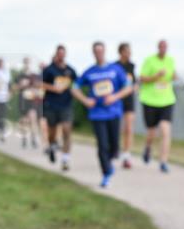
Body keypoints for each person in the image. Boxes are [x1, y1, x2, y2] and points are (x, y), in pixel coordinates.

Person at [72, 42, 132, 188]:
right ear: (93, 53)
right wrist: (85, 100)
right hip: (97, 114)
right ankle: (106, 173)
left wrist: (115, 97)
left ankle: (109, 161)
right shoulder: (90, 72)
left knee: (114, 147)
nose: (98, 53)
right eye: (96, 51)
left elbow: (128, 87)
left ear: (104, 51)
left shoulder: (115, 69)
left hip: (114, 112)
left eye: (101, 51)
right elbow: (74, 87)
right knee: (102, 145)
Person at [138, 39, 177, 173]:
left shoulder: (170, 60)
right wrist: (156, 76)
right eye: (161, 46)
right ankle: (148, 147)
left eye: (165, 47)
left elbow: (172, 76)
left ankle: (163, 161)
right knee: (152, 132)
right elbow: (142, 78)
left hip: (167, 100)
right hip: (150, 100)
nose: (163, 49)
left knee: (165, 130)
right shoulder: (149, 60)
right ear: (158, 48)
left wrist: (174, 77)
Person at [41, 45, 78, 171]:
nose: (61, 56)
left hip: (66, 105)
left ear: (65, 54)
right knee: (52, 132)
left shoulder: (70, 71)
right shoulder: (49, 70)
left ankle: (65, 160)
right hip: (51, 104)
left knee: (67, 130)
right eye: (59, 53)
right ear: (56, 54)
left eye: (63, 53)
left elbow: (76, 84)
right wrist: (53, 88)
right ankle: (52, 145)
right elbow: (41, 83)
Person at [115, 42, 138, 169]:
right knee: (117, 127)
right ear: (121, 52)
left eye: (130, 51)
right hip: (117, 100)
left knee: (129, 128)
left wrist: (135, 87)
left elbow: (134, 82)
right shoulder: (114, 66)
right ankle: (115, 149)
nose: (129, 54)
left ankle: (127, 155)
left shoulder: (131, 66)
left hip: (129, 100)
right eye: (127, 51)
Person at [15, 57, 41, 149]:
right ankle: (24, 138)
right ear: (23, 63)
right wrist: (21, 85)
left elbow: (39, 88)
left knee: (33, 118)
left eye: (28, 62)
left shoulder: (35, 76)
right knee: (24, 120)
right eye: (25, 62)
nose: (27, 64)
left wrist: (35, 90)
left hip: (32, 100)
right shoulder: (20, 76)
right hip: (22, 100)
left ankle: (34, 138)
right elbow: (15, 88)